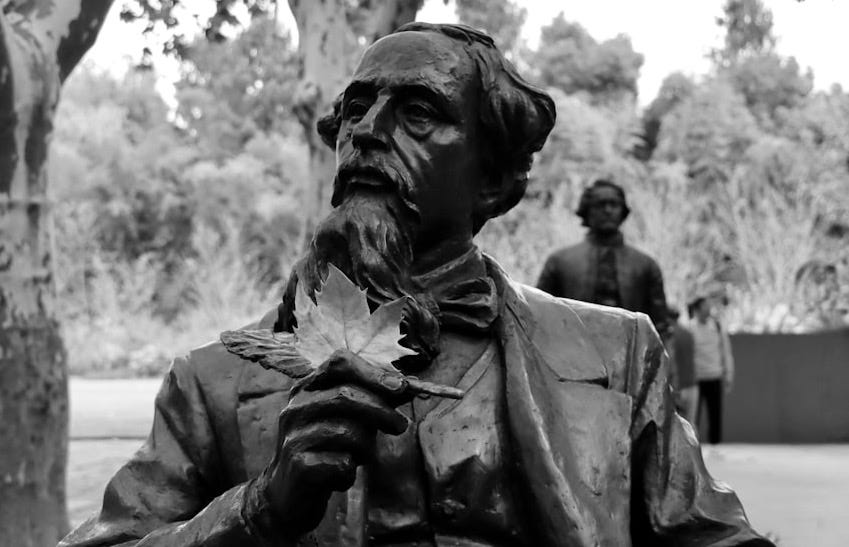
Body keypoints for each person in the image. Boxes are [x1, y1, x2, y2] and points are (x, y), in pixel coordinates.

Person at [61, 23, 769, 546]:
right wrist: (257, 508)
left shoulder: (616, 352)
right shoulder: (213, 384)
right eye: (355, 110)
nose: (366, 132)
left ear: (491, 180)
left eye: (418, 113)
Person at [536, 179, 671, 339]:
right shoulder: (559, 261)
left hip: (628, 355)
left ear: (623, 211)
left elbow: (660, 328)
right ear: (587, 211)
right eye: (600, 204)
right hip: (574, 355)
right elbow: (539, 318)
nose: (608, 210)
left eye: (614, 204)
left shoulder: (646, 265)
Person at [687, 292, 735, 444]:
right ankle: (693, 447)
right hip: (696, 378)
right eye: (705, 306)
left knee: (715, 415)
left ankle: (716, 445)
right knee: (693, 417)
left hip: (714, 376)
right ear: (697, 308)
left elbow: (726, 352)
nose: (709, 309)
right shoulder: (688, 328)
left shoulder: (717, 326)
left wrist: (728, 374)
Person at [668, 305, 699, 421]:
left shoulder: (670, 336)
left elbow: (671, 362)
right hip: (692, 384)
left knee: (677, 427)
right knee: (690, 426)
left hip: (678, 387)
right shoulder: (688, 333)